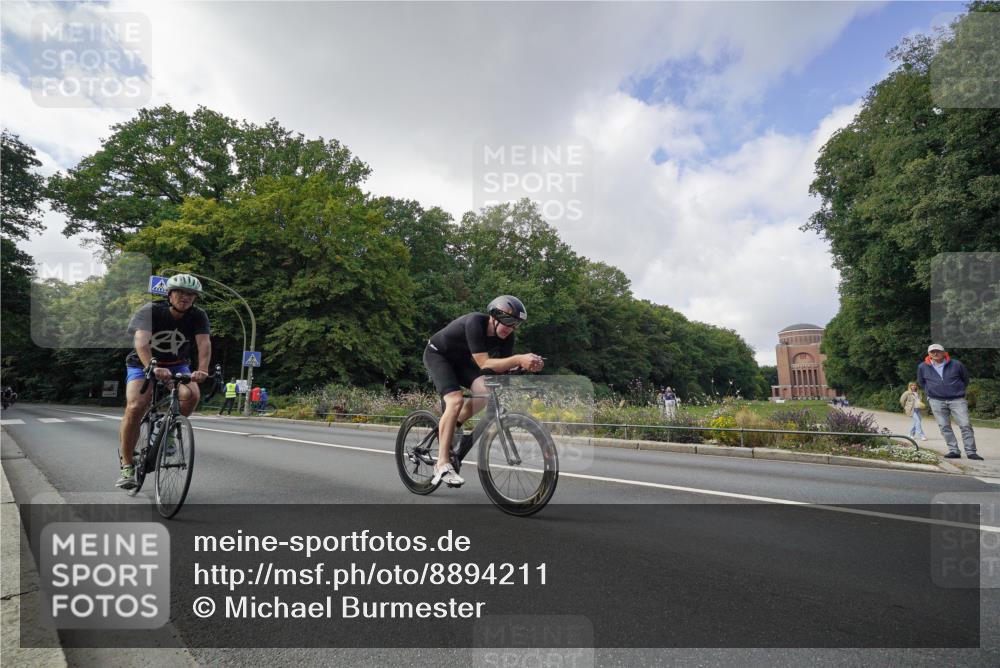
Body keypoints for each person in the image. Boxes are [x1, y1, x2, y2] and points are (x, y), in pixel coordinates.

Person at [423, 295, 544, 487]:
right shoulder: (475, 322)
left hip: (462, 362)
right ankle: (442, 463)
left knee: (485, 390)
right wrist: (519, 358)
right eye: (508, 322)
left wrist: (523, 368)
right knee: (455, 400)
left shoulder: (507, 336)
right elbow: (484, 363)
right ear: (494, 317)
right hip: (439, 355)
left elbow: (501, 370)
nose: (510, 328)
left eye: (515, 325)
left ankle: (453, 426)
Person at [117, 274, 211, 488]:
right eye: (180, 292)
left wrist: (202, 370)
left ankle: (166, 430)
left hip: (177, 363)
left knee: (192, 395)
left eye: (190, 294)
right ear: (169, 294)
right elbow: (141, 342)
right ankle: (128, 465)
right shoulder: (150, 311)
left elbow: (204, 344)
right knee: (135, 405)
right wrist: (153, 366)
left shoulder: (198, 316)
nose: (185, 297)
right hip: (143, 363)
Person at [917, 343, 982, 460]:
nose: (935, 353)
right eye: (932, 352)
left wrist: (957, 390)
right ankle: (953, 450)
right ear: (929, 354)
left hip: (957, 399)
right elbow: (922, 382)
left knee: (965, 424)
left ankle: (971, 452)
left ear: (944, 352)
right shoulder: (922, 366)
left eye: (938, 351)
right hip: (936, 400)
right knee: (944, 426)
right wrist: (930, 393)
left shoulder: (956, 364)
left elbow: (965, 379)